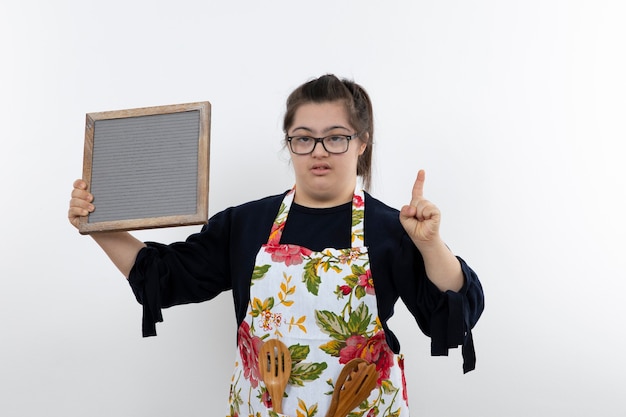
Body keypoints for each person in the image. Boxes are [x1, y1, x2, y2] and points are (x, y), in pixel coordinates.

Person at [68, 74, 484, 417]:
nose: (318, 151)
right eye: (303, 138)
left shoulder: (392, 228)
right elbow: (163, 276)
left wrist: (430, 245)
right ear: (289, 143)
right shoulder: (246, 224)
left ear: (361, 142)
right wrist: (100, 225)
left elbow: (448, 317)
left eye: (336, 137)